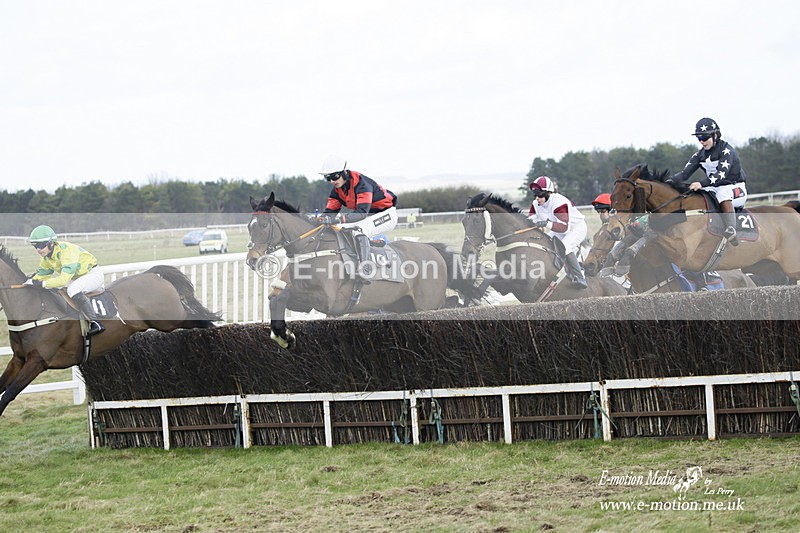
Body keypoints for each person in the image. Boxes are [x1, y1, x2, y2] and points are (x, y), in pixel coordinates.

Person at [320, 155, 398, 282]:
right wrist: (318, 220)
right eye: (327, 178)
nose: (332, 181)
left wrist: (338, 219)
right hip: (368, 215)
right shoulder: (336, 191)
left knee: (359, 230)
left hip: (386, 214)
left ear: (344, 172)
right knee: (338, 229)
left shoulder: (362, 184)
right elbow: (330, 213)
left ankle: (366, 268)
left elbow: (361, 213)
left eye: (334, 176)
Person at [669, 117, 748, 246]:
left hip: (735, 188)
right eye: (699, 138)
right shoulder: (699, 155)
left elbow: (721, 174)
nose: (702, 142)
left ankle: (731, 229)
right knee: (697, 195)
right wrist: (667, 183)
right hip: (714, 187)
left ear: (715, 135)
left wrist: (701, 184)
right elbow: (684, 174)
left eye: (704, 138)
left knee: (722, 193)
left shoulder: (727, 151)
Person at [26, 225, 106, 336]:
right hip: (76, 277)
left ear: (51, 243)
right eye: (35, 246)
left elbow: (63, 280)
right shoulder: (46, 258)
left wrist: (43, 283)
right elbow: (42, 275)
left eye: (41, 245)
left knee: (73, 290)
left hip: (92, 275)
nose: (38, 249)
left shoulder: (66, 252)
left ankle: (95, 322)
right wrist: (27, 283)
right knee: (56, 289)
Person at [528, 175, 588, 289]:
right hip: (559, 228)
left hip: (576, 228)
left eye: (540, 195)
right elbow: (531, 218)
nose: (537, 198)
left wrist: (546, 224)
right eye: (535, 195)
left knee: (564, 247)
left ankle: (580, 276)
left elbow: (564, 228)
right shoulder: (536, 204)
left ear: (548, 193)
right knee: (546, 243)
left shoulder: (559, 202)